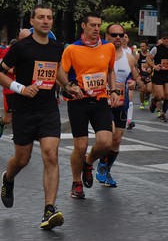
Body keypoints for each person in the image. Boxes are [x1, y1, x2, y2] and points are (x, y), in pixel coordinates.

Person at [0, 4, 65, 230]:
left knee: (51, 155)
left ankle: (49, 210)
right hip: (24, 110)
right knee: (22, 160)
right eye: (41, 17)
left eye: (49, 18)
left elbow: (58, 71)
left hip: (48, 110)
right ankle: (8, 178)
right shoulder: (21, 48)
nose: (46, 21)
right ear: (32, 21)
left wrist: (69, 86)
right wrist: (21, 88)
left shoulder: (57, 47)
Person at [58, 12, 120, 200]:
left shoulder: (108, 47)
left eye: (98, 25)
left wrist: (114, 90)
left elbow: (110, 71)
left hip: (100, 100)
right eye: (92, 25)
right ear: (83, 26)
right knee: (81, 145)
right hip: (78, 102)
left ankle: (88, 162)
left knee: (105, 142)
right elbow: (61, 72)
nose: (96, 29)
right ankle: (77, 183)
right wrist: (68, 86)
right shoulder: (72, 49)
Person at [95, 24, 145, 187]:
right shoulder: (98, 53)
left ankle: (106, 169)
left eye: (121, 34)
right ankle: (100, 165)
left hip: (121, 103)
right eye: (114, 34)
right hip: (103, 102)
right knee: (109, 137)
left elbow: (135, 76)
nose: (118, 37)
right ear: (106, 36)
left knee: (117, 140)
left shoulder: (129, 57)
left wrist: (134, 83)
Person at [0, 29, 32, 139]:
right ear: (19, 39)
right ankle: (2, 122)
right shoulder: (11, 50)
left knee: (25, 114)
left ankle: (19, 135)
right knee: (9, 118)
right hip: (11, 88)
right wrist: (11, 70)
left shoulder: (33, 50)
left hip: (26, 88)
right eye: (24, 39)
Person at [147, 32, 168, 121]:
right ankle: (154, 101)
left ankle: (163, 113)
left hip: (167, 75)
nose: (166, 40)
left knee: (167, 95)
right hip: (158, 75)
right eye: (164, 38)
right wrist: (154, 66)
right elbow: (148, 59)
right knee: (161, 96)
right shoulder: (156, 48)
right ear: (162, 39)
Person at [136, 42, 153, 110]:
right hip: (141, 75)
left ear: (147, 47)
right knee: (142, 90)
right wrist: (137, 70)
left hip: (149, 76)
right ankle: (142, 103)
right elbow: (135, 65)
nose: (142, 48)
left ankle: (147, 97)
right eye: (141, 46)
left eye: (143, 46)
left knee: (149, 90)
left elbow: (153, 63)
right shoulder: (138, 55)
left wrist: (151, 68)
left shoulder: (150, 55)